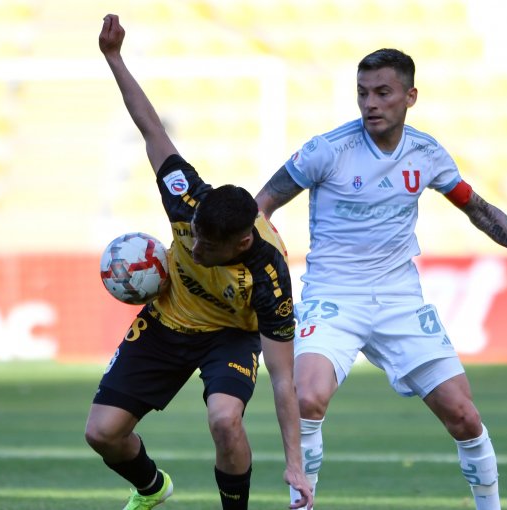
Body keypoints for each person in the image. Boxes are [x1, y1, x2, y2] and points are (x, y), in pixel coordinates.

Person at [255, 48, 507, 509]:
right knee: (308, 398)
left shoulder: (427, 154)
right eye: (363, 93)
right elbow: (260, 205)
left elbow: (477, 209)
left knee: (464, 417)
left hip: (399, 300)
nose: (371, 103)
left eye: (383, 93)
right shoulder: (327, 150)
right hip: (333, 298)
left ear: (410, 96)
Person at [85, 14, 312, 510]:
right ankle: (151, 489)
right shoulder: (189, 202)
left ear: (241, 242)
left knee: (225, 419)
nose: (193, 249)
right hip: (168, 320)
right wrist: (115, 58)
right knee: (102, 433)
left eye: (208, 249)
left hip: (229, 335)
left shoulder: (269, 275)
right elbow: (150, 128)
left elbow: (283, 377)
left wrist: (294, 461)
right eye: (193, 241)